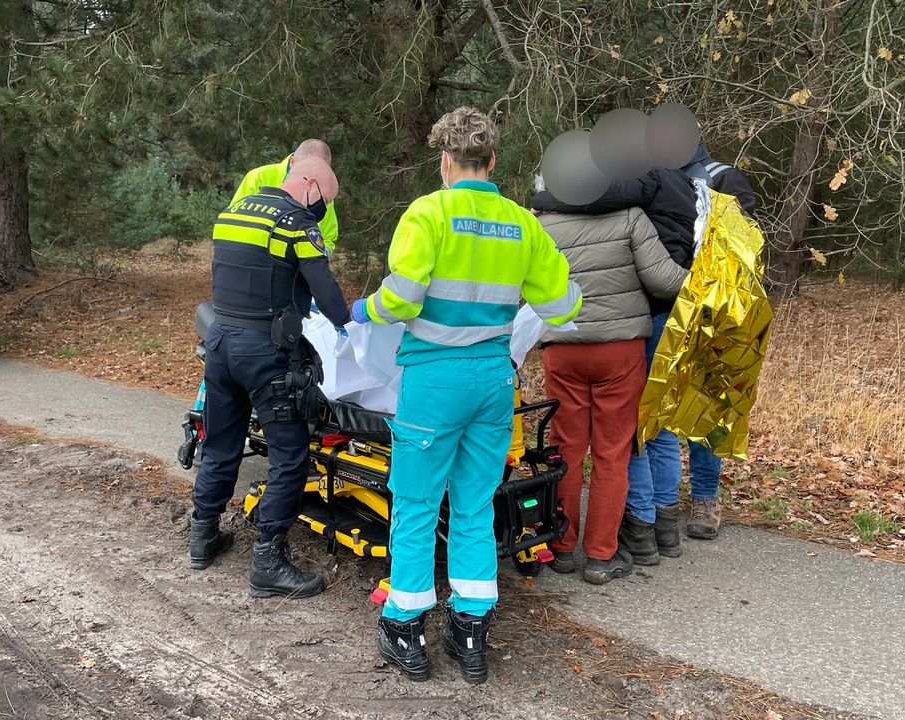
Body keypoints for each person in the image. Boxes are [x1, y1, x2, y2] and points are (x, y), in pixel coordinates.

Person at [352, 108, 579, 684]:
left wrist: (365, 311)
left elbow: (401, 299)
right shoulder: (522, 223)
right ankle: (471, 631)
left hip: (435, 381)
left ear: (445, 161)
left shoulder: (428, 212)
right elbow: (561, 306)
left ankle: (406, 626)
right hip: (493, 381)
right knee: (475, 506)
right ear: (493, 161)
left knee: (416, 505)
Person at [188, 156, 351, 599]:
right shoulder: (297, 223)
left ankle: (202, 536)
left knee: (221, 442)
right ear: (311, 183)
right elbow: (328, 294)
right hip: (267, 352)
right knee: (289, 454)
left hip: (220, 342)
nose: (323, 211)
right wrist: (349, 321)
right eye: (325, 201)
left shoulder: (233, 212)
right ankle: (269, 562)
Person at [529, 178, 689, 584]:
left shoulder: (541, 223)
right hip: (619, 351)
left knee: (565, 451)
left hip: (563, 346)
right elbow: (665, 281)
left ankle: (561, 548)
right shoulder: (631, 218)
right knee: (612, 453)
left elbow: (522, 288)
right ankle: (601, 556)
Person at [676, 142, 759, 540]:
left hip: (712, 310)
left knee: (707, 403)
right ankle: (656, 500)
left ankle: (705, 497)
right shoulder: (653, 179)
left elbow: (741, 245)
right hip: (664, 304)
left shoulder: (723, 176)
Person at [232, 139, 339, 256]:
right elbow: (233, 224)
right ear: (292, 161)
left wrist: (318, 256)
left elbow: (328, 238)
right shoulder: (258, 177)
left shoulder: (322, 194)